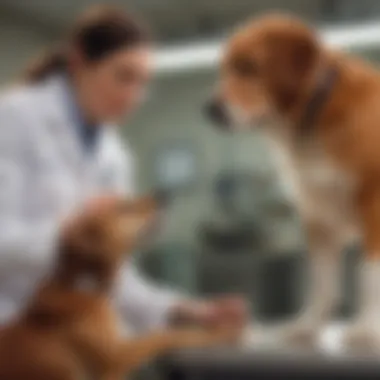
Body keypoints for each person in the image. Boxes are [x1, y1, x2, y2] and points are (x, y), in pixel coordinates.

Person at [0, 5, 247, 333]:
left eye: (143, 83)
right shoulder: (15, 118)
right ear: (79, 63)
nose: (134, 95)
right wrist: (71, 235)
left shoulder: (116, 156)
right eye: (124, 76)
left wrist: (182, 310)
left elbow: (114, 277)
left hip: (72, 338)